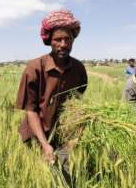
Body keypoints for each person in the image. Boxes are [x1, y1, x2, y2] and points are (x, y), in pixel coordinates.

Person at [16, 10, 87, 169]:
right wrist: (44, 144)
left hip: (63, 135)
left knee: (64, 179)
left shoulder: (78, 69)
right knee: (40, 180)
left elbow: (77, 105)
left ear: (73, 40)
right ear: (49, 40)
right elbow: (31, 110)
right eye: (58, 39)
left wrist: (75, 136)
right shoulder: (34, 68)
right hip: (36, 135)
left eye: (67, 39)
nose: (63, 44)